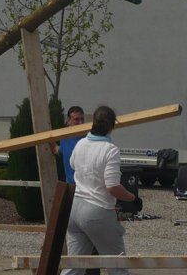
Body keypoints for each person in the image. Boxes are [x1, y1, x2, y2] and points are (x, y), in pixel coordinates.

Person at [62, 106, 137, 275]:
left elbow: (73, 164)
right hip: (97, 211)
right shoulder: (110, 150)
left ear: (93, 122)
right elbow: (112, 187)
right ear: (112, 126)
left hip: (75, 209)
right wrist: (133, 198)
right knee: (117, 266)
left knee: (74, 267)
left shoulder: (81, 143)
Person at [55, 106, 86, 184]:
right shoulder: (65, 139)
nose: (80, 123)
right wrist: (47, 137)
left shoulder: (87, 140)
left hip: (85, 187)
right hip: (70, 186)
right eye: (76, 119)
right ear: (68, 121)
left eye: (82, 119)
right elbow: (58, 150)